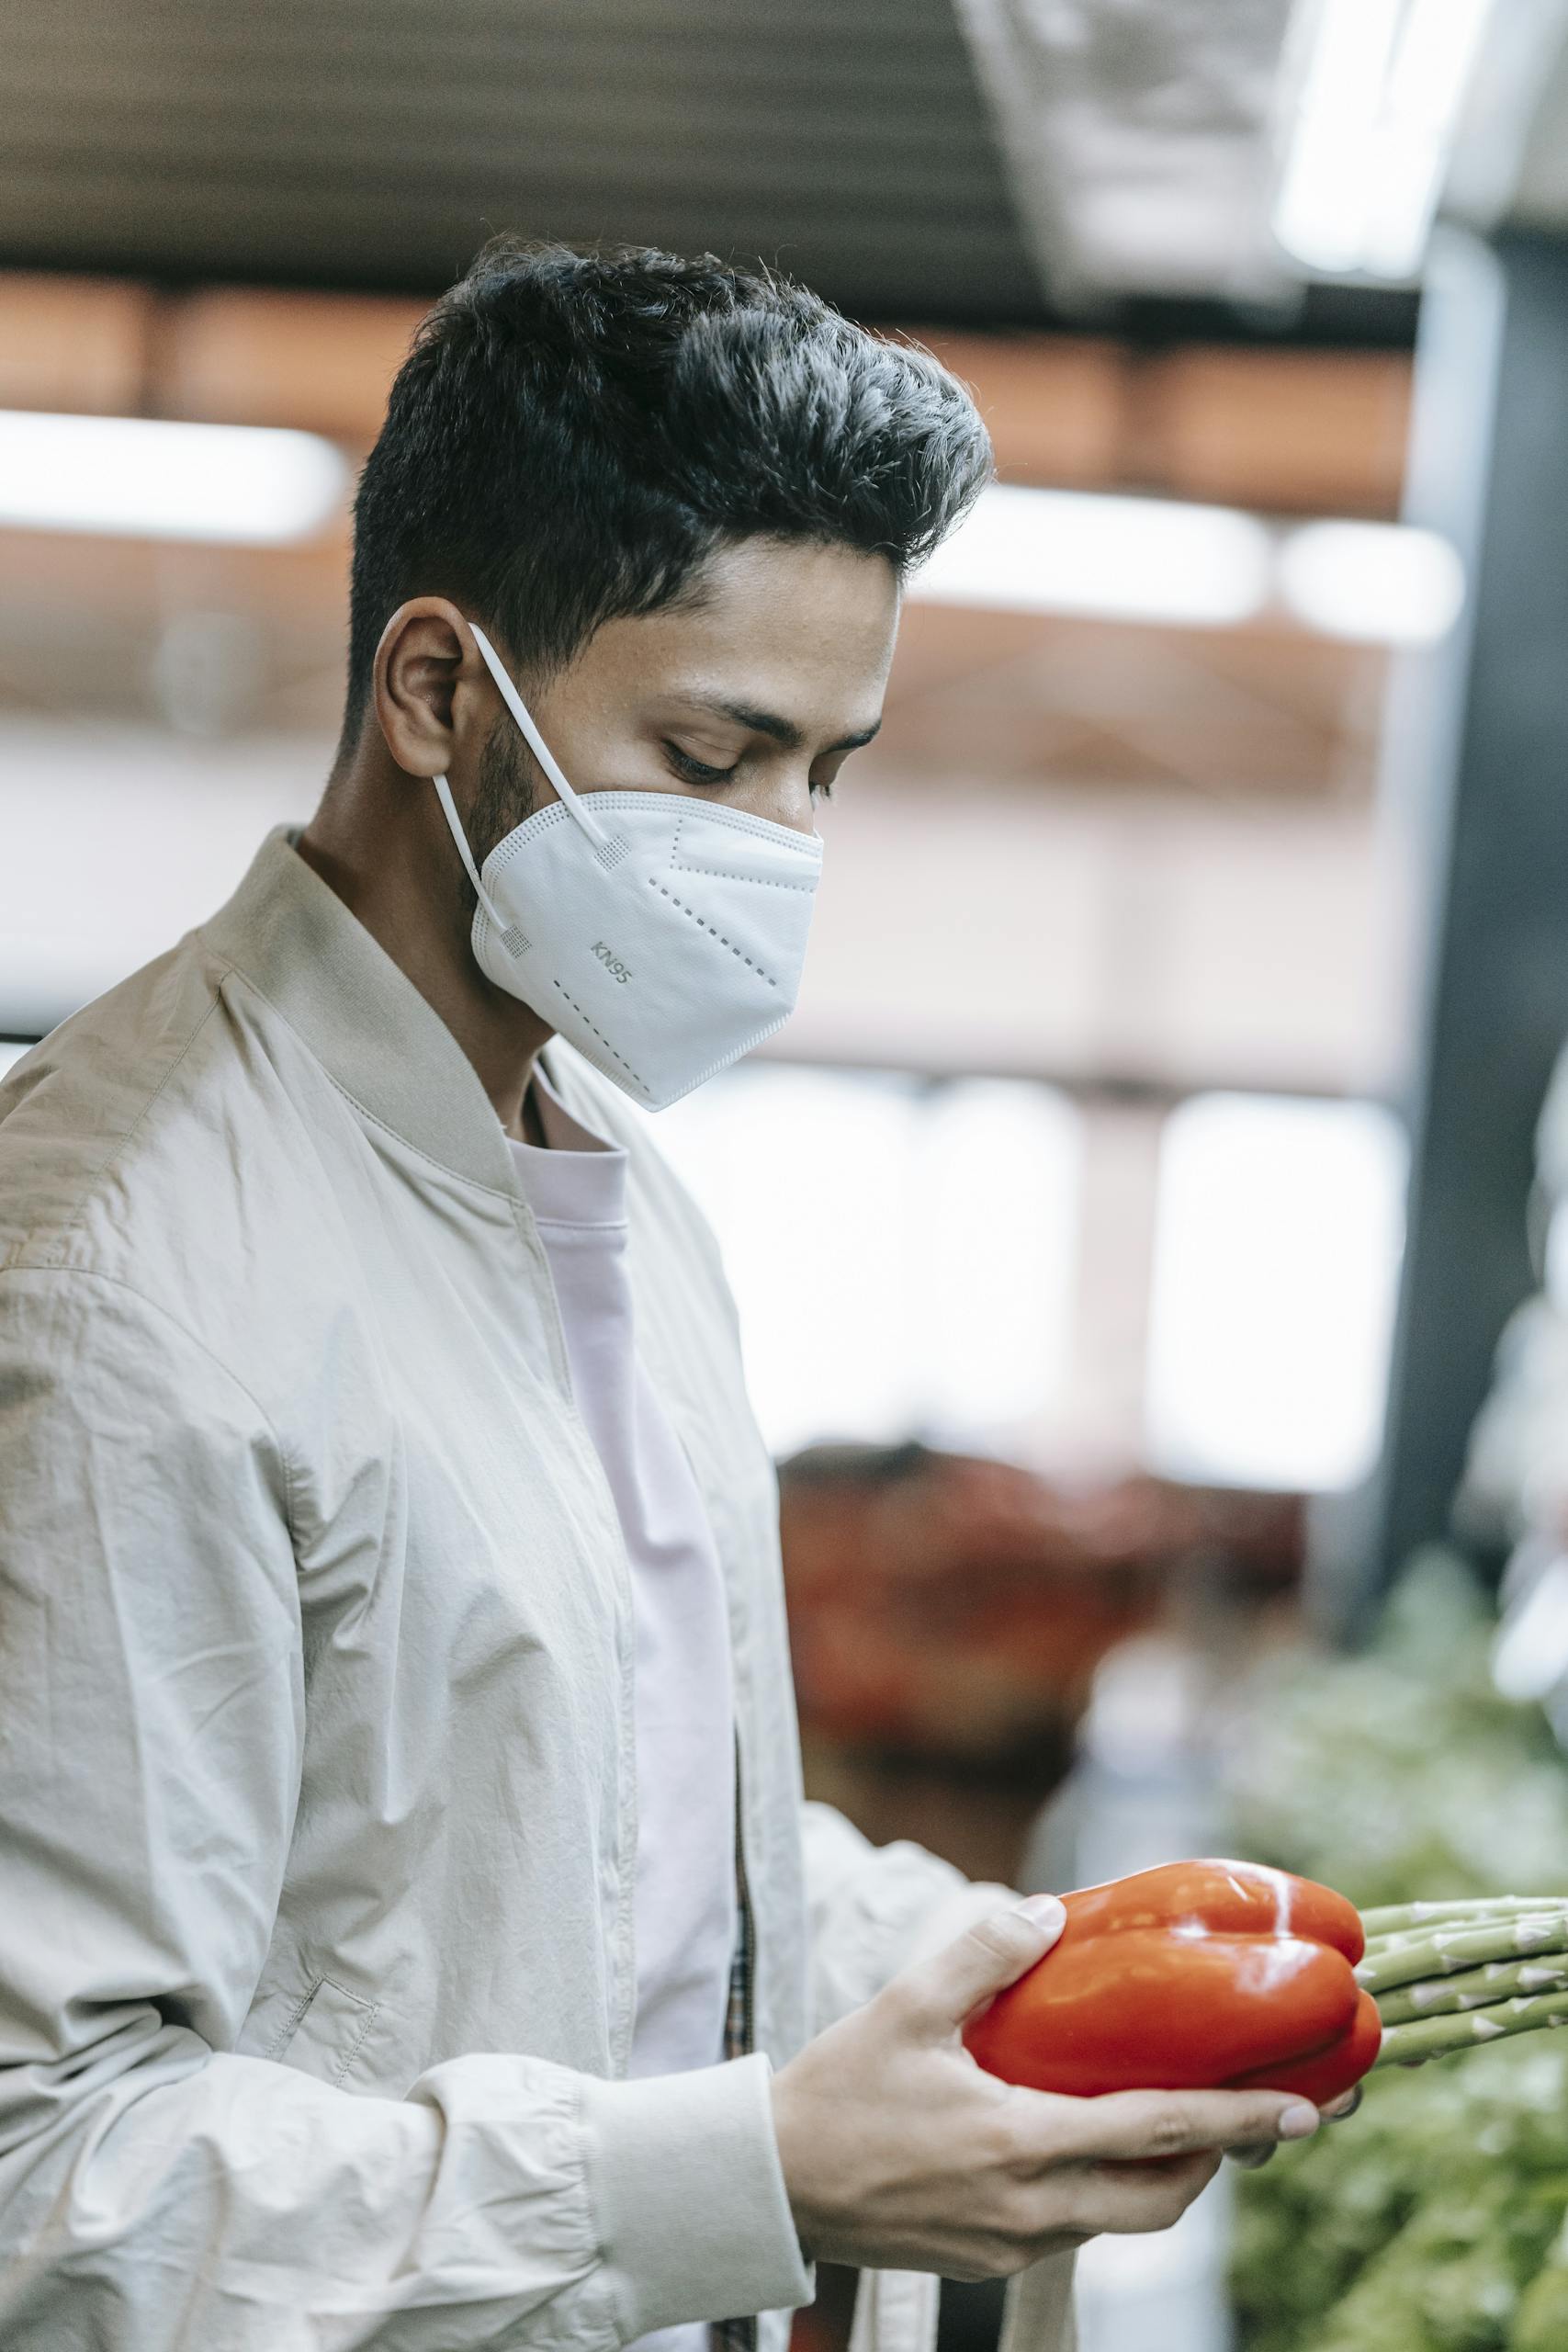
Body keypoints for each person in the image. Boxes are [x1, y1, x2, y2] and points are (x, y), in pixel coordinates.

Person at [0, 241, 1325, 2352]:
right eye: (716, 757)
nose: (785, 843)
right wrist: (758, 2172)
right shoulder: (111, 1271)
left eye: (834, 765)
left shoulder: (602, 1165)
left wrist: (1015, 1959)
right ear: (434, 688)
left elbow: (585, 1814)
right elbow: (43, 2176)